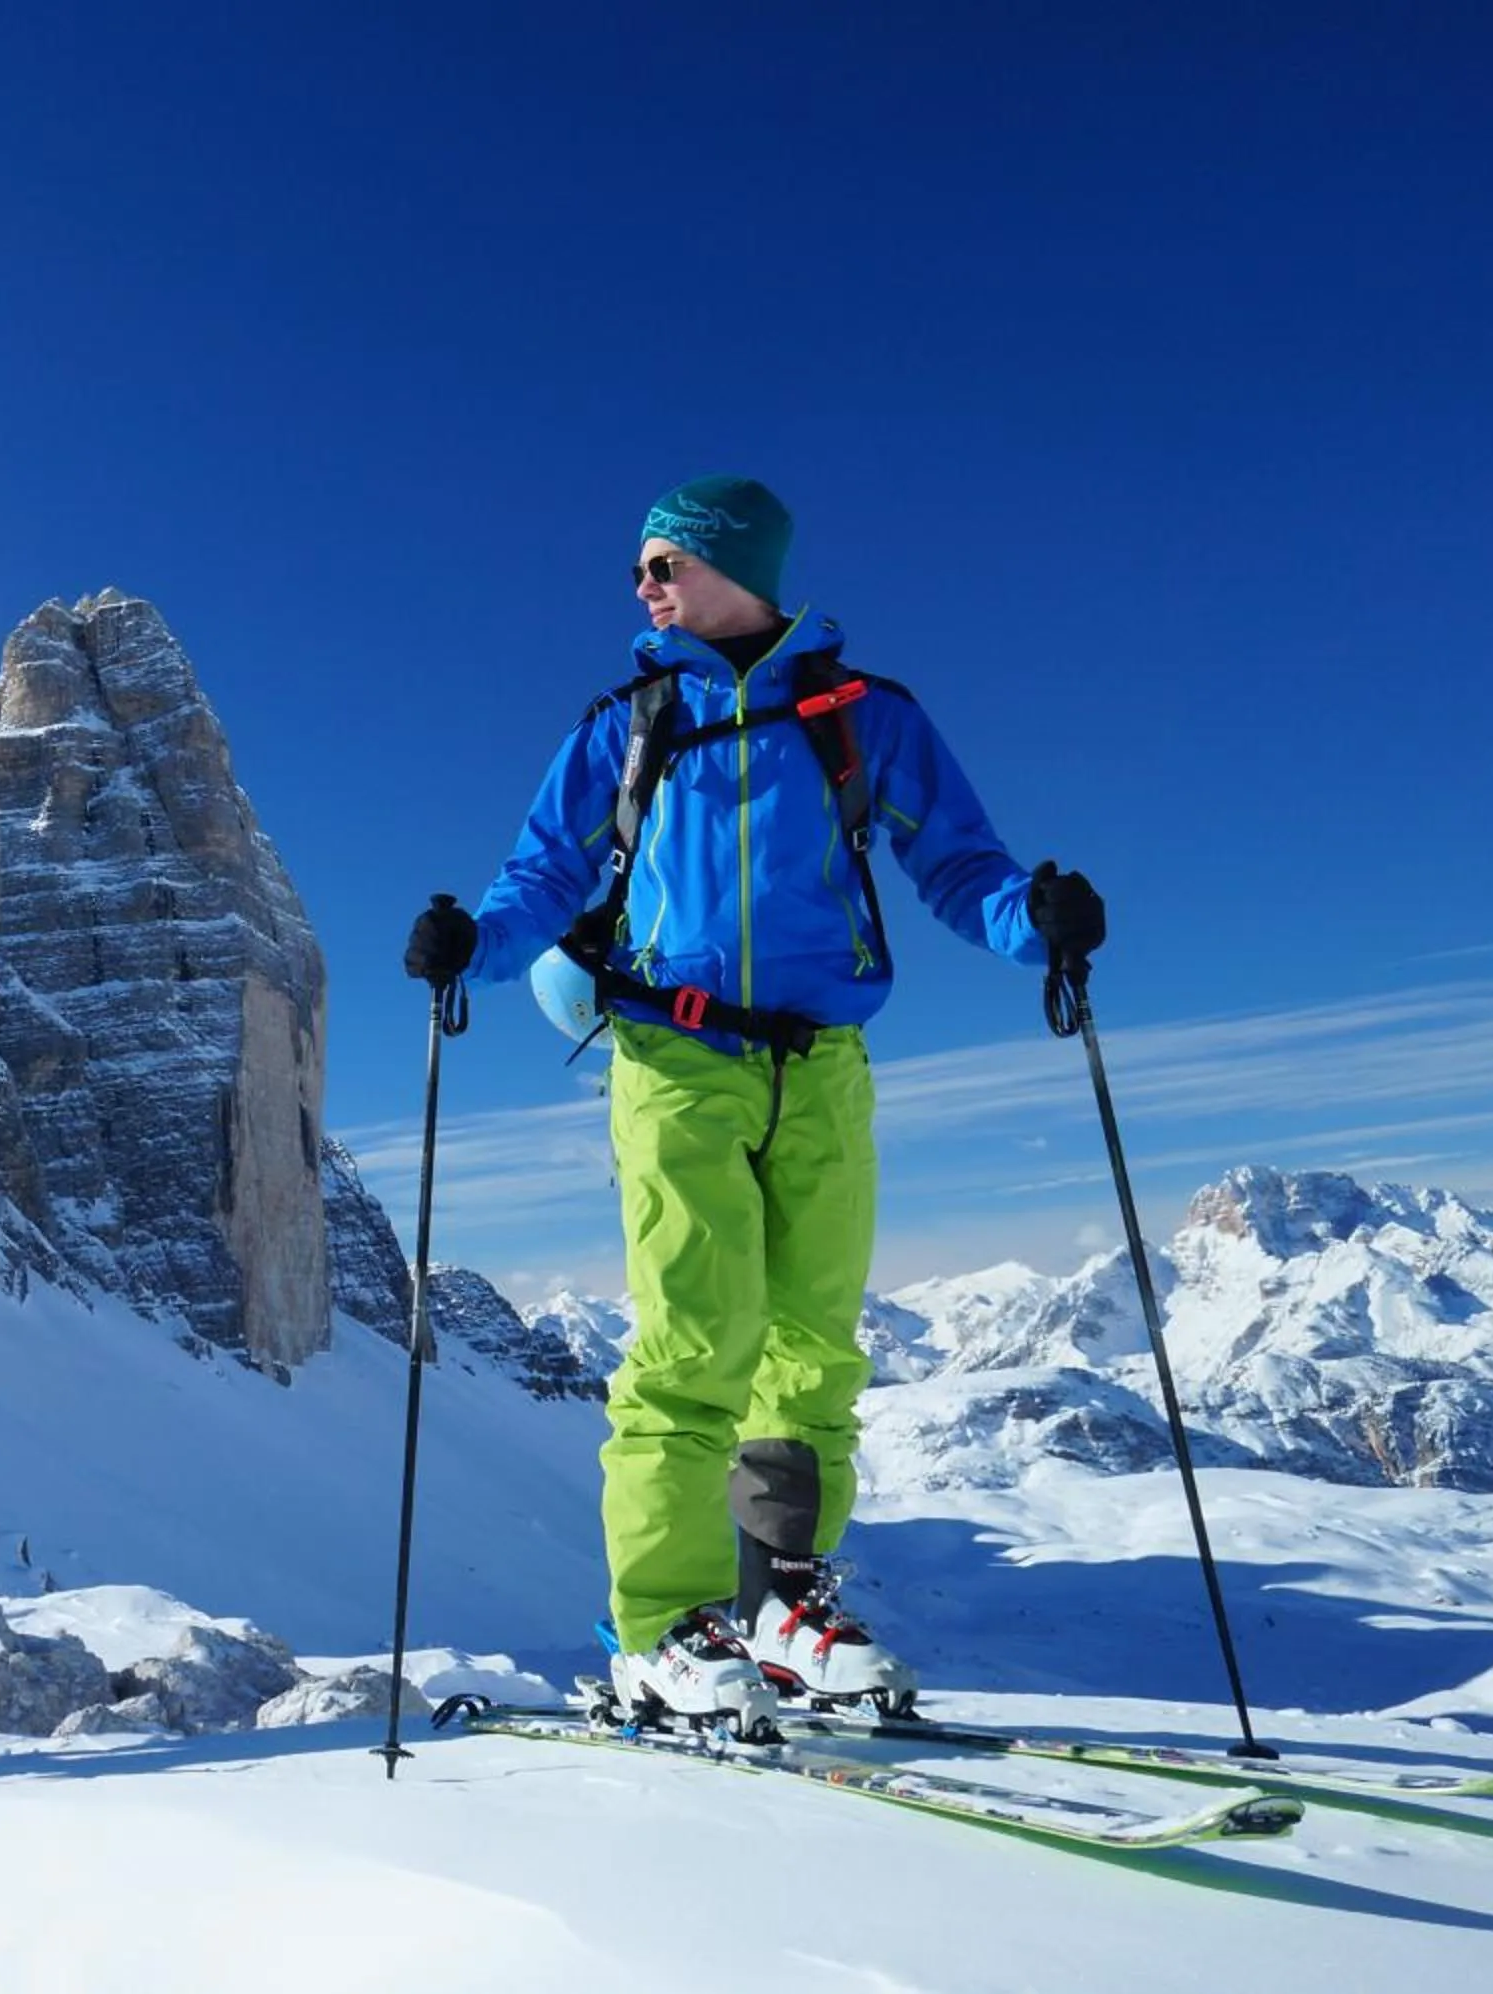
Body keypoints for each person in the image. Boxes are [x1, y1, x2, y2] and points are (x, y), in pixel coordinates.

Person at [404, 475, 1104, 1731]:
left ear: (738, 563)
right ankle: (661, 1623)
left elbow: (961, 861)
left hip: (824, 1060)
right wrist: (471, 944)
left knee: (815, 1345)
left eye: (662, 561)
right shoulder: (628, 723)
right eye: (639, 569)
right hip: (673, 1058)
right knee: (692, 1339)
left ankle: (784, 1598)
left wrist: (1031, 925)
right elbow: (540, 874)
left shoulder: (858, 714)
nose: (643, 585)